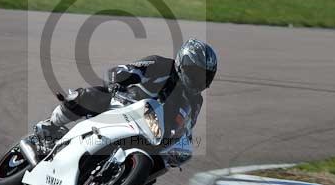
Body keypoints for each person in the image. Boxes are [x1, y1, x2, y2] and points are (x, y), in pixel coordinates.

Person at [35, 38, 217, 147]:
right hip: (123, 104)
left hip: (150, 132)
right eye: (196, 73)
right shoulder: (161, 64)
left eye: (205, 77)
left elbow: (187, 129)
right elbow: (123, 69)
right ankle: (50, 125)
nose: (199, 80)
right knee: (92, 94)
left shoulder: (195, 101)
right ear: (183, 63)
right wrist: (122, 77)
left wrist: (183, 143)